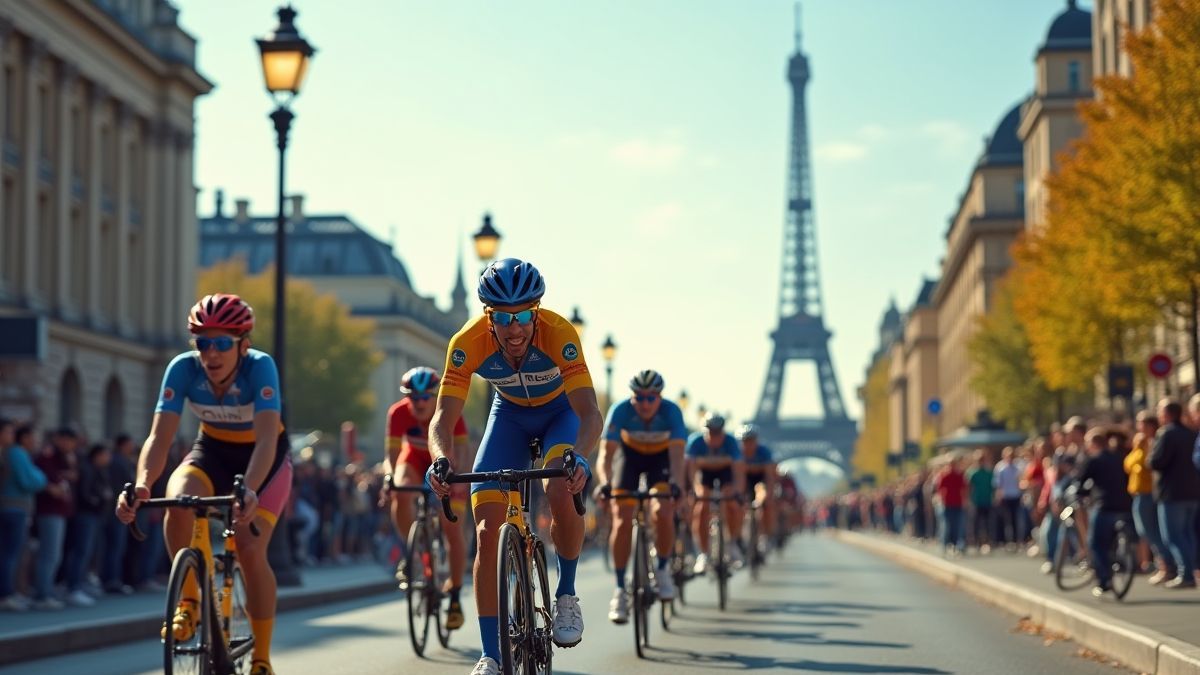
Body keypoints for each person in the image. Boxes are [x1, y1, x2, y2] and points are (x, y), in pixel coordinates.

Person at [425, 259, 600, 675]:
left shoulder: (560, 333)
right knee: (486, 533)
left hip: (562, 415)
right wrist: (440, 459)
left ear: (536, 310)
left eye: (523, 315)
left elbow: (590, 413)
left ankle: (567, 594)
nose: (514, 327)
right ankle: (491, 654)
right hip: (509, 418)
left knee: (561, 488)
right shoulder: (467, 342)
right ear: (489, 315)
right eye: (503, 318)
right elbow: (442, 420)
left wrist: (581, 456)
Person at [115, 294, 291, 675]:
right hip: (211, 450)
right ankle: (190, 602)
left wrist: (250, 489)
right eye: (203, 342)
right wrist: (143, 484)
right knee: (178, 500)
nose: (211, 353)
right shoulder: (182, 369)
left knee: (248, 546)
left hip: (264, 459)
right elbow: (159, 438)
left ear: (243, 344)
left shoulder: (260, 367)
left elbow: (265, 441)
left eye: (222, 343)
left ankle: (261, 656)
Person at [594, 369, 686, 624]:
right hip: (630, 458)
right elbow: (606, 456)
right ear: (632, 397)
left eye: (651, 398)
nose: (645, 403)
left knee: (662, 510)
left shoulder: (672, 412)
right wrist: (605, 483)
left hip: (661, 460)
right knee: (622, 517)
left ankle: (664, 569)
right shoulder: (620, 411)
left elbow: (678, 457)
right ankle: (621, 589)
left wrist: (677, 484)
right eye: (639, 397)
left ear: (660, 397)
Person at [383, 365, 470, 630]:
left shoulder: (450, 414)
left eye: (424, 398)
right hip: (414, 460)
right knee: (400, 487)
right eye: (412, 397)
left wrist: (458, 483)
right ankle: (414, 547)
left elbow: (464, 454)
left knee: (453, 530)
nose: (418, 403)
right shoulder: (398, 413)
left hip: (447, 464)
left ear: (435, 397)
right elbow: (392, 457)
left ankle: (454, 595)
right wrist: (389, 479)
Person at [1074, 428, 1133, 597]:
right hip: (1124, 505)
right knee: (1118, 536)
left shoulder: (1094, 460)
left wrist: (1081, 494)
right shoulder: (1120, 457)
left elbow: (1081, 482)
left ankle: (1104, 580)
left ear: (1092, 444)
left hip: (1104, 506)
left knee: (1095, 543)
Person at [686, 413, 745, 574]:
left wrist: (738, 492)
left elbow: (738, 472)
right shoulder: (695, 442)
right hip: (704, 475)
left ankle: (732, 544)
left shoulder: (731, 442)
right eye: (710, 432)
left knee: (731, 502)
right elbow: (691, 472)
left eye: (717, 433)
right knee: (701, 506)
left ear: (723, 432)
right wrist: (696, 491)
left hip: (726, 474)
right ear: (704, 431)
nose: (714, 436)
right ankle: (703, 553)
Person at [1149, 399, 1200, 589]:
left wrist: (1151, 452)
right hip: (1192, 492)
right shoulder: (1190, 433)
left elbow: (1156, 462)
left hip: (1171, 493)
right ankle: (1192, 570)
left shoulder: (1166, 434)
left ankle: (1185, 574)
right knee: (1187, 534)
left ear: (1168, 414)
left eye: (1161, 412)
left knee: (1173, 536)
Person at [0, 421, 47, 611]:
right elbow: (31, 480)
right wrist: (41, 478)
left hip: (9, 508)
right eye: (8, 431)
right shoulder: (15, 453)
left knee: (9, 553)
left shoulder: (7, 454)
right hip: (14, 508)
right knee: (11, 554)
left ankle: (10, 591)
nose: (12, 435)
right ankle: (6, 593)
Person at [738, 424, 777, 555]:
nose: (748, 444)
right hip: (745, 480)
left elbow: (769, 477)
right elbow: (737, 477)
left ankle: (765, 535)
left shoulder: (764, 452)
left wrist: (768, 496)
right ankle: (741, 534)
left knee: (765, 503)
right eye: (745, 441)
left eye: (751, 441)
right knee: (737, 503)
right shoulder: (737, 453)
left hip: (760, 481)